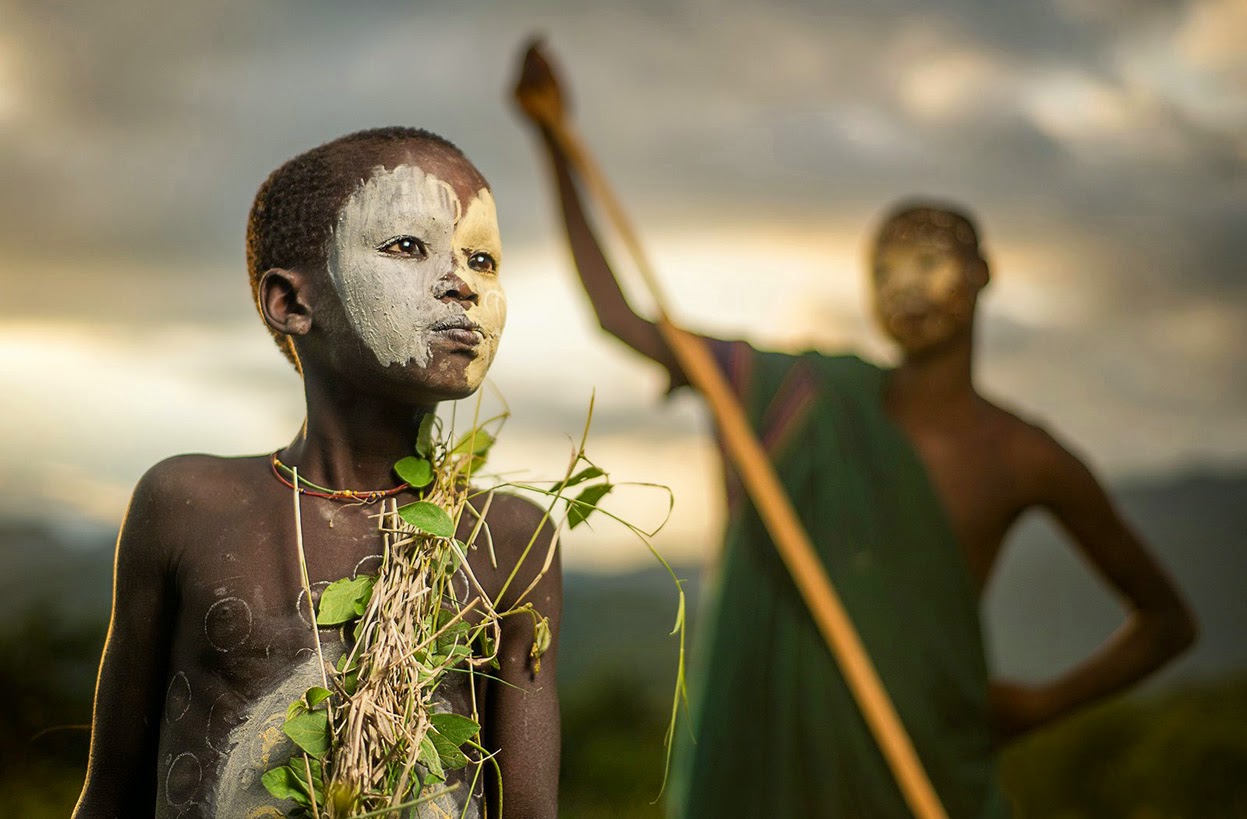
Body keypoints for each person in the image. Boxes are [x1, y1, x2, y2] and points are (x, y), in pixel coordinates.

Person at [513, 45, 1196, 818]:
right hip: (766, 765)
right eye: (886, 268)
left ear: (983, 273)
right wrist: (554, 141)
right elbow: (620, 316)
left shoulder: (1024, 457)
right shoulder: (795, 396)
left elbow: (1167, 621)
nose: (907, 283)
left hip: (928, 763)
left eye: (931, 258)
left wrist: (1040, 705)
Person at [73, 127, 561, 819]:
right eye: (406, 247)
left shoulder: (510, 537)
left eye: (482, 259)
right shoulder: (189, 503)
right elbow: (110, 794)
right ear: (291, 303)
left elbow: (529, 810)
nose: (461, 284)